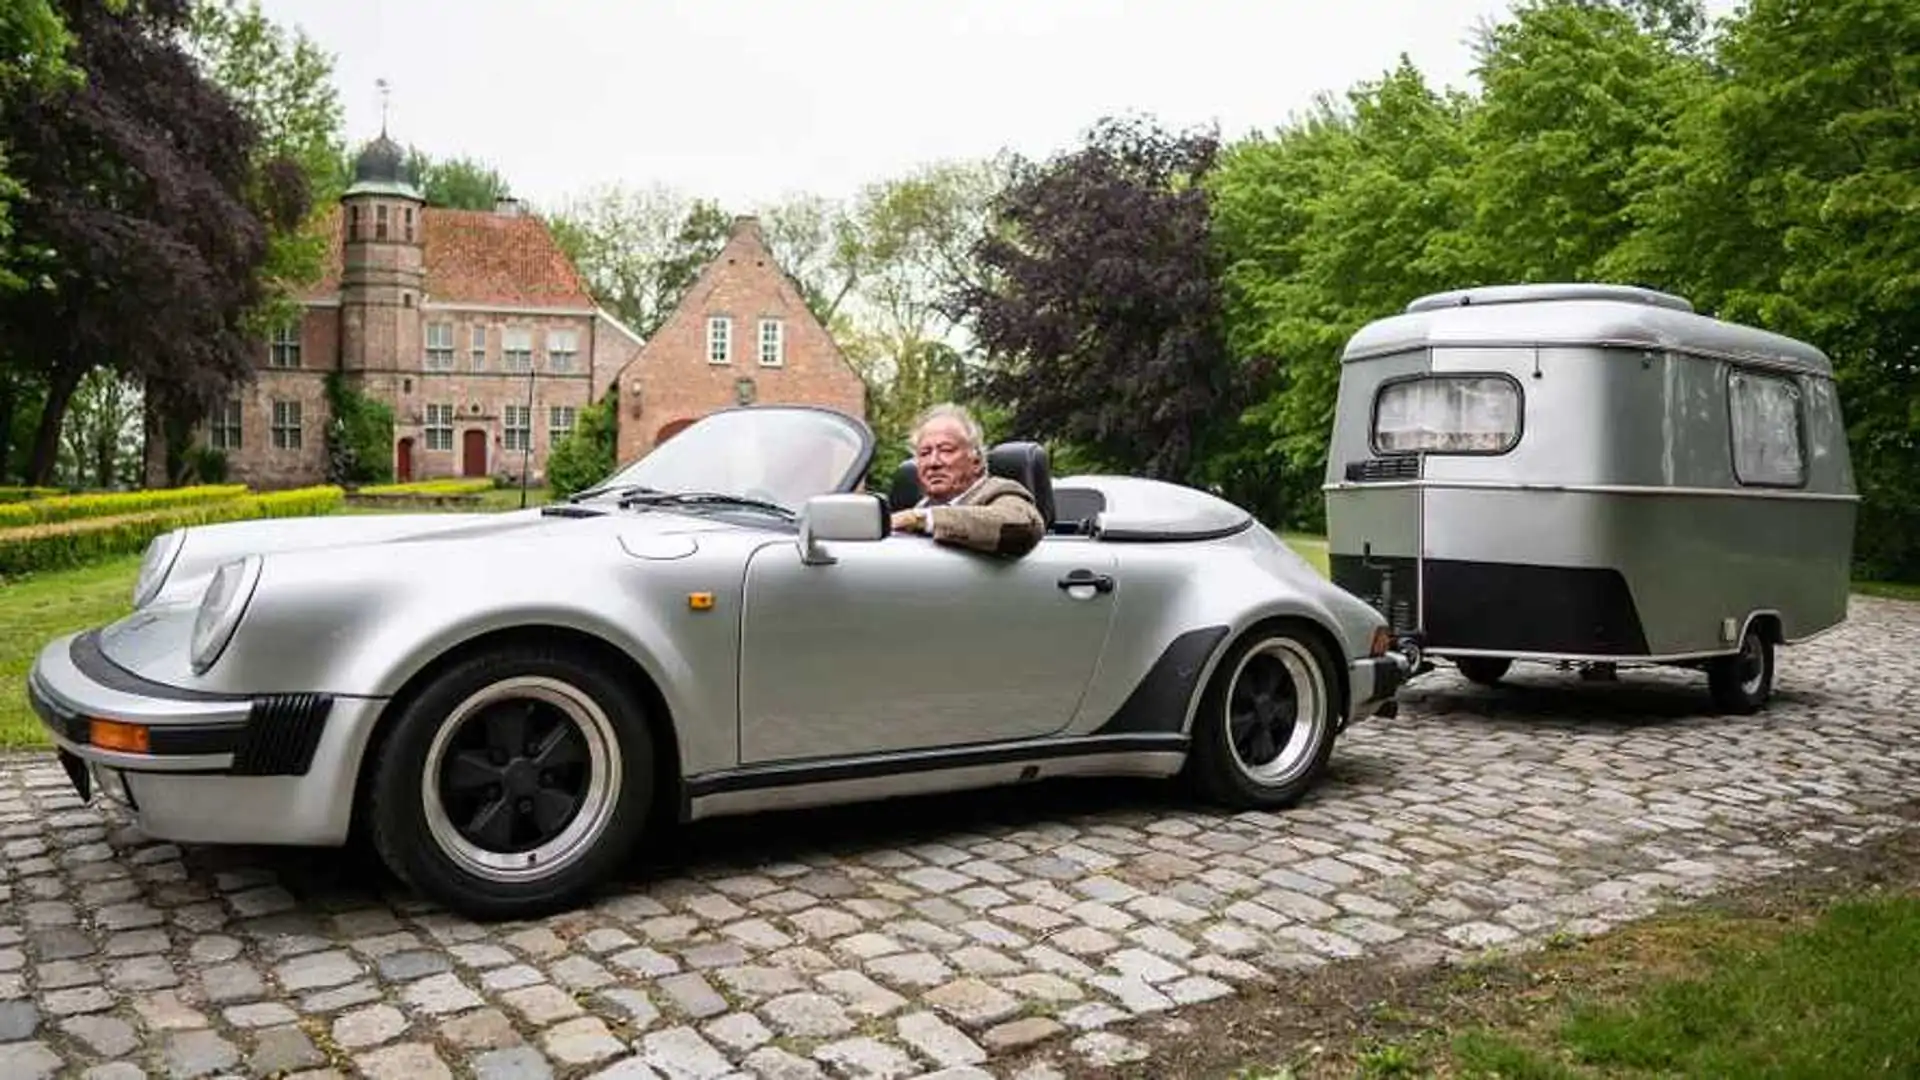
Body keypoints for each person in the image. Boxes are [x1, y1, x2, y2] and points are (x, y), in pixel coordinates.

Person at [889, 403, 1045, 558]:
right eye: (924, 453)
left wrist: (920, 519)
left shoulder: (998, 491)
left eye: (946, 450)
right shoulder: (919, 508)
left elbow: (1023, 525)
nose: (933, 462)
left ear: (976, 461)